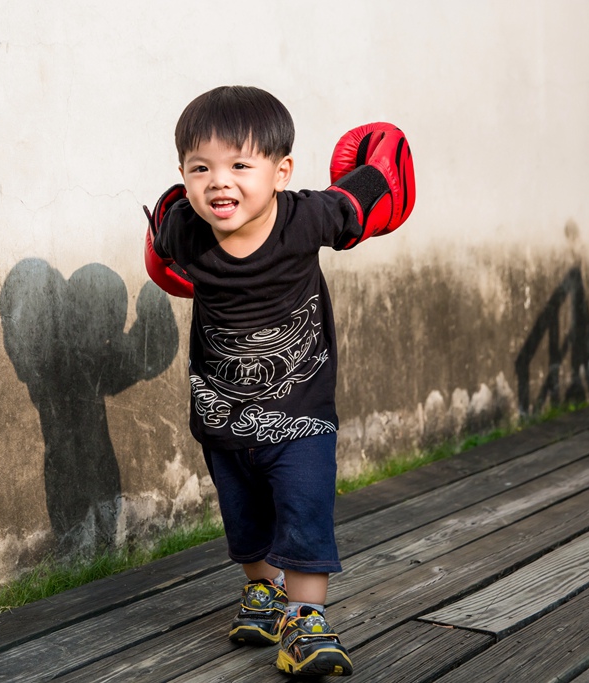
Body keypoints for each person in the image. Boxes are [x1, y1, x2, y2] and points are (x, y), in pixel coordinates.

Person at [143, 85, 415, 677]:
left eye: (241, 165)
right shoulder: (186, 231)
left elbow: (360, 203)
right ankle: (263, 593)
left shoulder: (304, 216)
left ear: (280, 171)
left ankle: (307, 620)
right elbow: (163, 243)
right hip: (221, 419)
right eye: (201, 168)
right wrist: (163, 224)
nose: (220, 181)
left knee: (303, 511)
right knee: (245, 524)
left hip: (302, 414)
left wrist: (378, 162)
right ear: (183, 175)